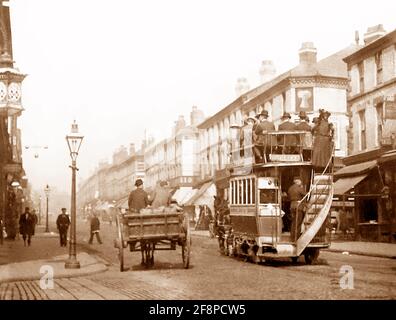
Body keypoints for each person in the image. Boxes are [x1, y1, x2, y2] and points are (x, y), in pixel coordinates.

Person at [287, 178, 306, 242]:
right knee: (298, 222)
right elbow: (305, 194)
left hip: (292, 206)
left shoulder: (290, 188)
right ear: (298, 181)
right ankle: (296, 238)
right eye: (300, 181)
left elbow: (289, 197)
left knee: (293, 222)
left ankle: (292, 236)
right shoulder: (298, 188)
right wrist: (302, 188)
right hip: (298, 206)